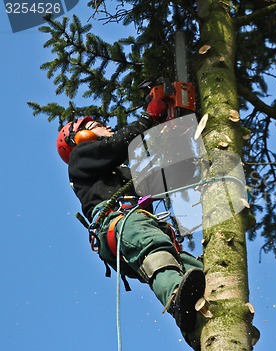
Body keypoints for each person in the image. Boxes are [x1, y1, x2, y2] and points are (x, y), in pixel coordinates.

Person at [56, 94, 205, 350]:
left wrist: (197, 164)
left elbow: (157, 181)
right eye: (97, 125)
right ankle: (176, 297)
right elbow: (115, 147)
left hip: (138, 226)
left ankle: (199, 330)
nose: (107, 127)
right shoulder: (82, 157)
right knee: (153, 245)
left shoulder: (119, 174)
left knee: (195, 268)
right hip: (122, 223)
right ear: (80, 137)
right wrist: (149, 118)